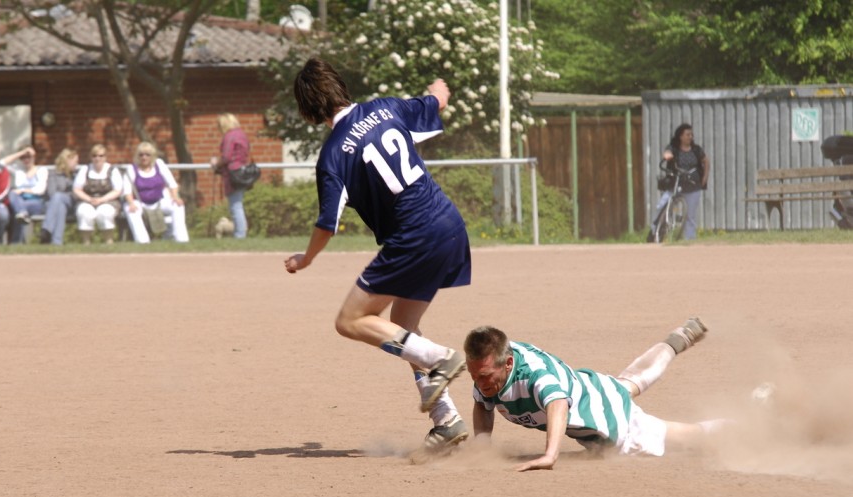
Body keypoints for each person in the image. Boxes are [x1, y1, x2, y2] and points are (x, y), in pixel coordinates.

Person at [284, 57, 472, 455]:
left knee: (350, 320)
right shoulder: (386, 108)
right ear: (340, 87)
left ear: (308, 110)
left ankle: (440, 358)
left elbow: (327, 223)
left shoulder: (333, 155)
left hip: (414, 236)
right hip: (449, 223)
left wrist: (306, 258)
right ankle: (446, 420)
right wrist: (439, 90)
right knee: (403, 328)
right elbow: (435, 101)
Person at [465, 318, 726, 472]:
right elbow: (483, 404)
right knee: (624, 385)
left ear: (508, 363)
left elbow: (557, 403)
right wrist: (482, 448)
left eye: (485, 375)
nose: (479, 382)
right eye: (473, 374)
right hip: (593, 387)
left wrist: (550, 455)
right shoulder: (495, 361)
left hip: (614, 423)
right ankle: (675, 342)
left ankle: (745, 428)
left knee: (690, 438)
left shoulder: (535, 376)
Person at [123, 142, 189, 243]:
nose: (144, 157)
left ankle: (181, 239)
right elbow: (127, 191)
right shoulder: (132, 169)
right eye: (141, 155)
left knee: (178, 206)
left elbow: (172, 184)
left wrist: (175, 197)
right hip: (140, 203)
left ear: (152, 156)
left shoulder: (159, 164)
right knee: (131, 210)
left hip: (159, 201)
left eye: (147, 155)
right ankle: (143, 241)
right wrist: (131, 203)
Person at [656, 123, 710, 240]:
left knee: (690, 215)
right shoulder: (674, 148)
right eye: (687, 134)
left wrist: (705, 177)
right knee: (661, 206)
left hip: (693, 185)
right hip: (675, 184)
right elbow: (667, 152)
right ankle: (655, 231)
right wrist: (667, 156)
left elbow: (706, 161)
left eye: (691, 134)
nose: (690, 137)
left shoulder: (696, 150)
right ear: (680, 136)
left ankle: (689, 239)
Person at [73, 144, 124, 245]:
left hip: (109, 201)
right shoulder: (85, 169)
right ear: (91, 157)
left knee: (105, 212)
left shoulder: (112, 170)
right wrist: (89, 199)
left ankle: (109, 242)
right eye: (95, 156)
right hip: (87, 200)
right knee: (84, 212)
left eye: (101, 156)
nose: (98, 158)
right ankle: (86, 243)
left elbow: (117, 190)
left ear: (105, 157)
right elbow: (77, 189)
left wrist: (102, 200)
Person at [211, 113, 250, 238]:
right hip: (242, 171)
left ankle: (240, 234)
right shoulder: (242, 134)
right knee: (238, 204)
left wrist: (216, 163)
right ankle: (240, 233)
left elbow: (226, 157)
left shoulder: (229, 136)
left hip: (232, 174)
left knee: (235, 206)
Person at [0, 146, 48, 244]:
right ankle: (22, 214)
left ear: (34, 157)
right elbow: (1, 163)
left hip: (36, 202)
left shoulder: (41, 170)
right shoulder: (18, 171)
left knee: (17, 209)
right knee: (12, 194)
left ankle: (15, 242)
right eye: (23, 157)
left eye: (28, 156)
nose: (26, 160)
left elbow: (40, 190)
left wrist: (22, 190)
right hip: (20, 202)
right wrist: (21, 152)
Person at [39, 148, 80, 245]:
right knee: (60, 206)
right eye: (75, 161)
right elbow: (51, 193)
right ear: (67, 160)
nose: (77, 164)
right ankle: (56, 242)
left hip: (72, 204)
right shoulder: (53, 174)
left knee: (58, 197)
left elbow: (76, 194)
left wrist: (63, 194)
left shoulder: (77, 175)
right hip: (55, 205)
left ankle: (46, 229)